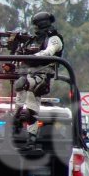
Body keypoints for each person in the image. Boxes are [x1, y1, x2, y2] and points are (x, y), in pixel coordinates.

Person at [13, 11, 64, 151]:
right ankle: (21, 130)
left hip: (42, 76)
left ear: (42, 24)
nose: (34, 29)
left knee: (23, 87)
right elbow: (19, 55)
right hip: (28, 74)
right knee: (27, 109)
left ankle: (26, 134)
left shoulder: (54, 39)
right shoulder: (32, 40)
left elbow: (48, 52)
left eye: (36, 26)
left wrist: (32, 57)